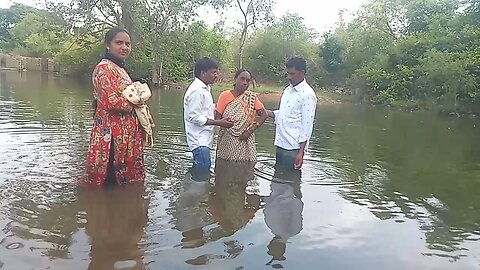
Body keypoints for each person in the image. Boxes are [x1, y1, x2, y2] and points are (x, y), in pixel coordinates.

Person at [86, 27, 146, 187]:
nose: (124, 47)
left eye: (128, 44)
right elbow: (113, 102)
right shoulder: (103, 69)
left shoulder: (119, 68)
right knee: (109, 180)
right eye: (119, 43)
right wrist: (139, 99)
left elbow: (126, 94)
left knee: (124, 181)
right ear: (108, 45)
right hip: (111, 135)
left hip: (125, 133)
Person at [183, 58, 233, 177]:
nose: (216, 75)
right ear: (203, 73)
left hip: (204, 139)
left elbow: (206, 110)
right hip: (199, 140)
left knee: (200, 171)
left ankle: (194, 189)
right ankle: (198, 194)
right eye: (213, 72)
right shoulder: (197, 91)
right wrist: (219, 122)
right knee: (202, 174)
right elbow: (194, 117)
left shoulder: (205, 89)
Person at [267, 57, 317, 171]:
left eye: (292, 74)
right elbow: (285, 114)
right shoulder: (287, 90)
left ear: (302, 73)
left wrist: (301, 152)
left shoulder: (307, 95)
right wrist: (267, 113)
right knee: (277, 179)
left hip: (293, 148)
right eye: (288, 74)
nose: (289, 77)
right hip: (280, 142)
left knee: (290, 181)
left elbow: (307, 125)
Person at [214, 69, 268, 165]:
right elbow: (218, 119)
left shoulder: (251, 98)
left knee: (245, 165)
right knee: (225, 166)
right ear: (235, 80)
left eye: (248, 81)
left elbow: (264, 114)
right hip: (227, 139)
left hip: (245, 138)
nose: (245, 83)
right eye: (242, 79)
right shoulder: (225, 95)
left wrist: (250, 131)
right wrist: (225, 123)